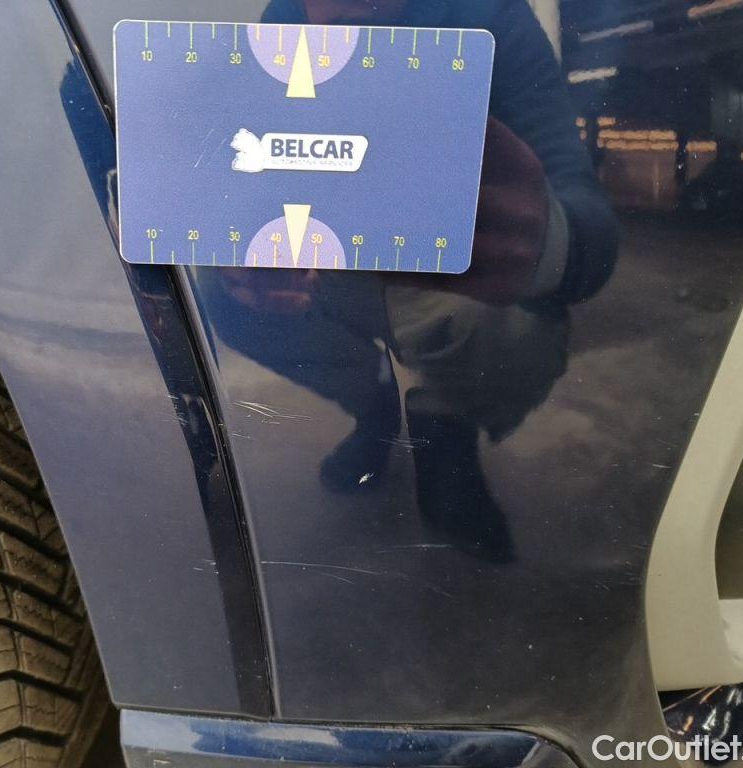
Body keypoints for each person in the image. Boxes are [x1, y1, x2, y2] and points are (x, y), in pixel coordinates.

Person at [199, 0, 619, 562]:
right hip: (341, 263)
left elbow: (581, 201)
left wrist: (542, 240)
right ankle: (375, 407)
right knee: (227, 294)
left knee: (518, 333)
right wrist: (247, 235)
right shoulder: (286, 19)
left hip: (454, 274)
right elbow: (262, 166)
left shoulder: (490, 13)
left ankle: (445, 428)